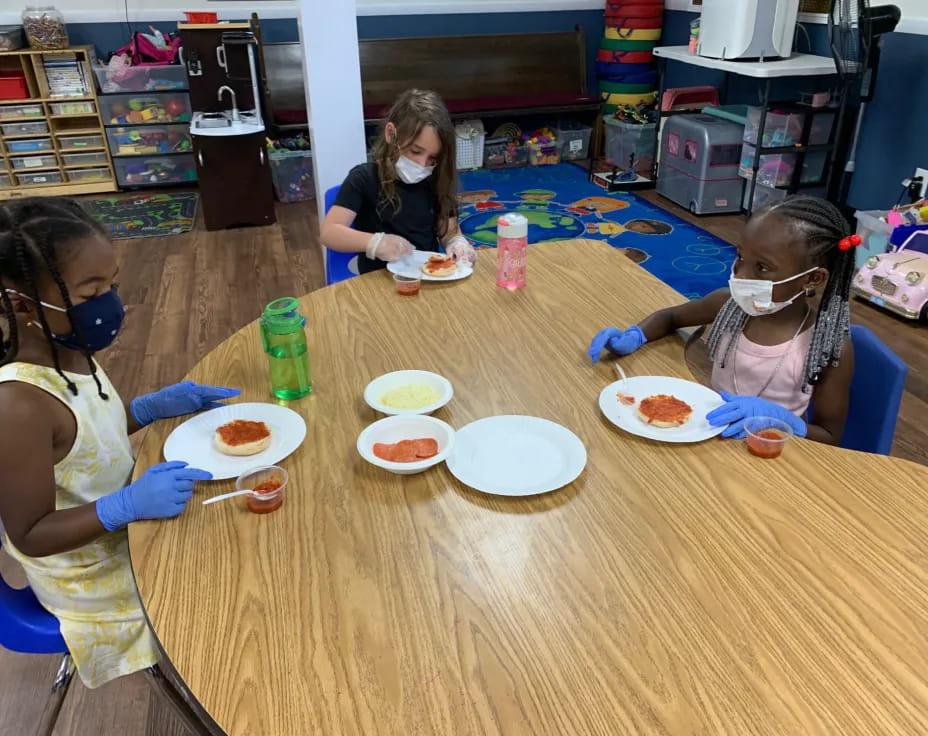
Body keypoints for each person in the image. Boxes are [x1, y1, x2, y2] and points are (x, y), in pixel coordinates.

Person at [0, 197, 238, 688]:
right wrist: (123, 506)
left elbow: (85, 440)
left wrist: (147, 408)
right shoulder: (17, 407)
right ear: (24, 304)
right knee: (232, 582)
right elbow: (29, 533)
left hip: (125, 527)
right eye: (90, 294)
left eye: (113, 285)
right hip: (92, 579)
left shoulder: (68, 350)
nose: (111, 303)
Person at [588, 196, 856, 445]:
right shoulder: (728, 305)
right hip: (707, 435)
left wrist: (782, 420)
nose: (740, 273)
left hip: (770, 453)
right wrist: (634, 336)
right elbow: (670, 317)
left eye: (762, 267)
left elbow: (830, 436)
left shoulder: (829, 347)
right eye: (740, 257)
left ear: (813, 278)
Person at [320, 88, 476, 274]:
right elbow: (329, 233)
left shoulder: (436, 180)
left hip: (426, 278)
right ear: (391, 134)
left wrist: (456, 242)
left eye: (432, 159)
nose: (422, 164)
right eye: (415, 151)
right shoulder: (363, 178)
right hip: (377, 282)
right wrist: (375, 243)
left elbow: (448, 230)